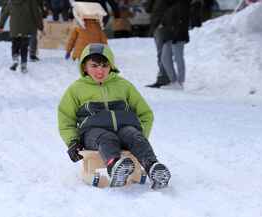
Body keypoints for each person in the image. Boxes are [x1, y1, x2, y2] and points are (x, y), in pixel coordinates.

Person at [58, 43, 171, 189]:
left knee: (133, 135)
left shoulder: (123, 86)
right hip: (93, 134)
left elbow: (145, 113)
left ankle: (153, 167)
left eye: (104, 65)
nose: (100, 70)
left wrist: (141, 133)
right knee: (106, 137)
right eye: (94, 65)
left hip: (124, 130)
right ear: (84, 66)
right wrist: (72, 142)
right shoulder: (76, 89)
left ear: (111, 66)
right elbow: (65, 118)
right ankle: (115, 167)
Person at [0, 0, 44, 73]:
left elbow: (5, 13)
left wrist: (1, 26)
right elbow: (36, 14)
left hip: (14, 27)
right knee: (24, 47)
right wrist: (41, 27)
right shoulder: (31, 1)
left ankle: (15, 59)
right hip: (26, 27)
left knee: (15, 44)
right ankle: (23, 65)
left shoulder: (11, 1)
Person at [160, 0, 190, 89]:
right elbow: (166, 20)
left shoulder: (182, 3)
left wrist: (177, 34)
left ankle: (180, 82)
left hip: (179, 35)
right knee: (164, 58)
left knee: (178, 57)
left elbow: (183, 20)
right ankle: (174, 81)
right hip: (169, 35)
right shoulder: (168, 5)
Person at [144, 0, 170, 88]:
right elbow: (148, 9)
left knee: (162, 53)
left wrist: (162, 23)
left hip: (162, 26)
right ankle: (164, 77)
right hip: (156, 26)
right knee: (161, 54)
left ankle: (163, 78)